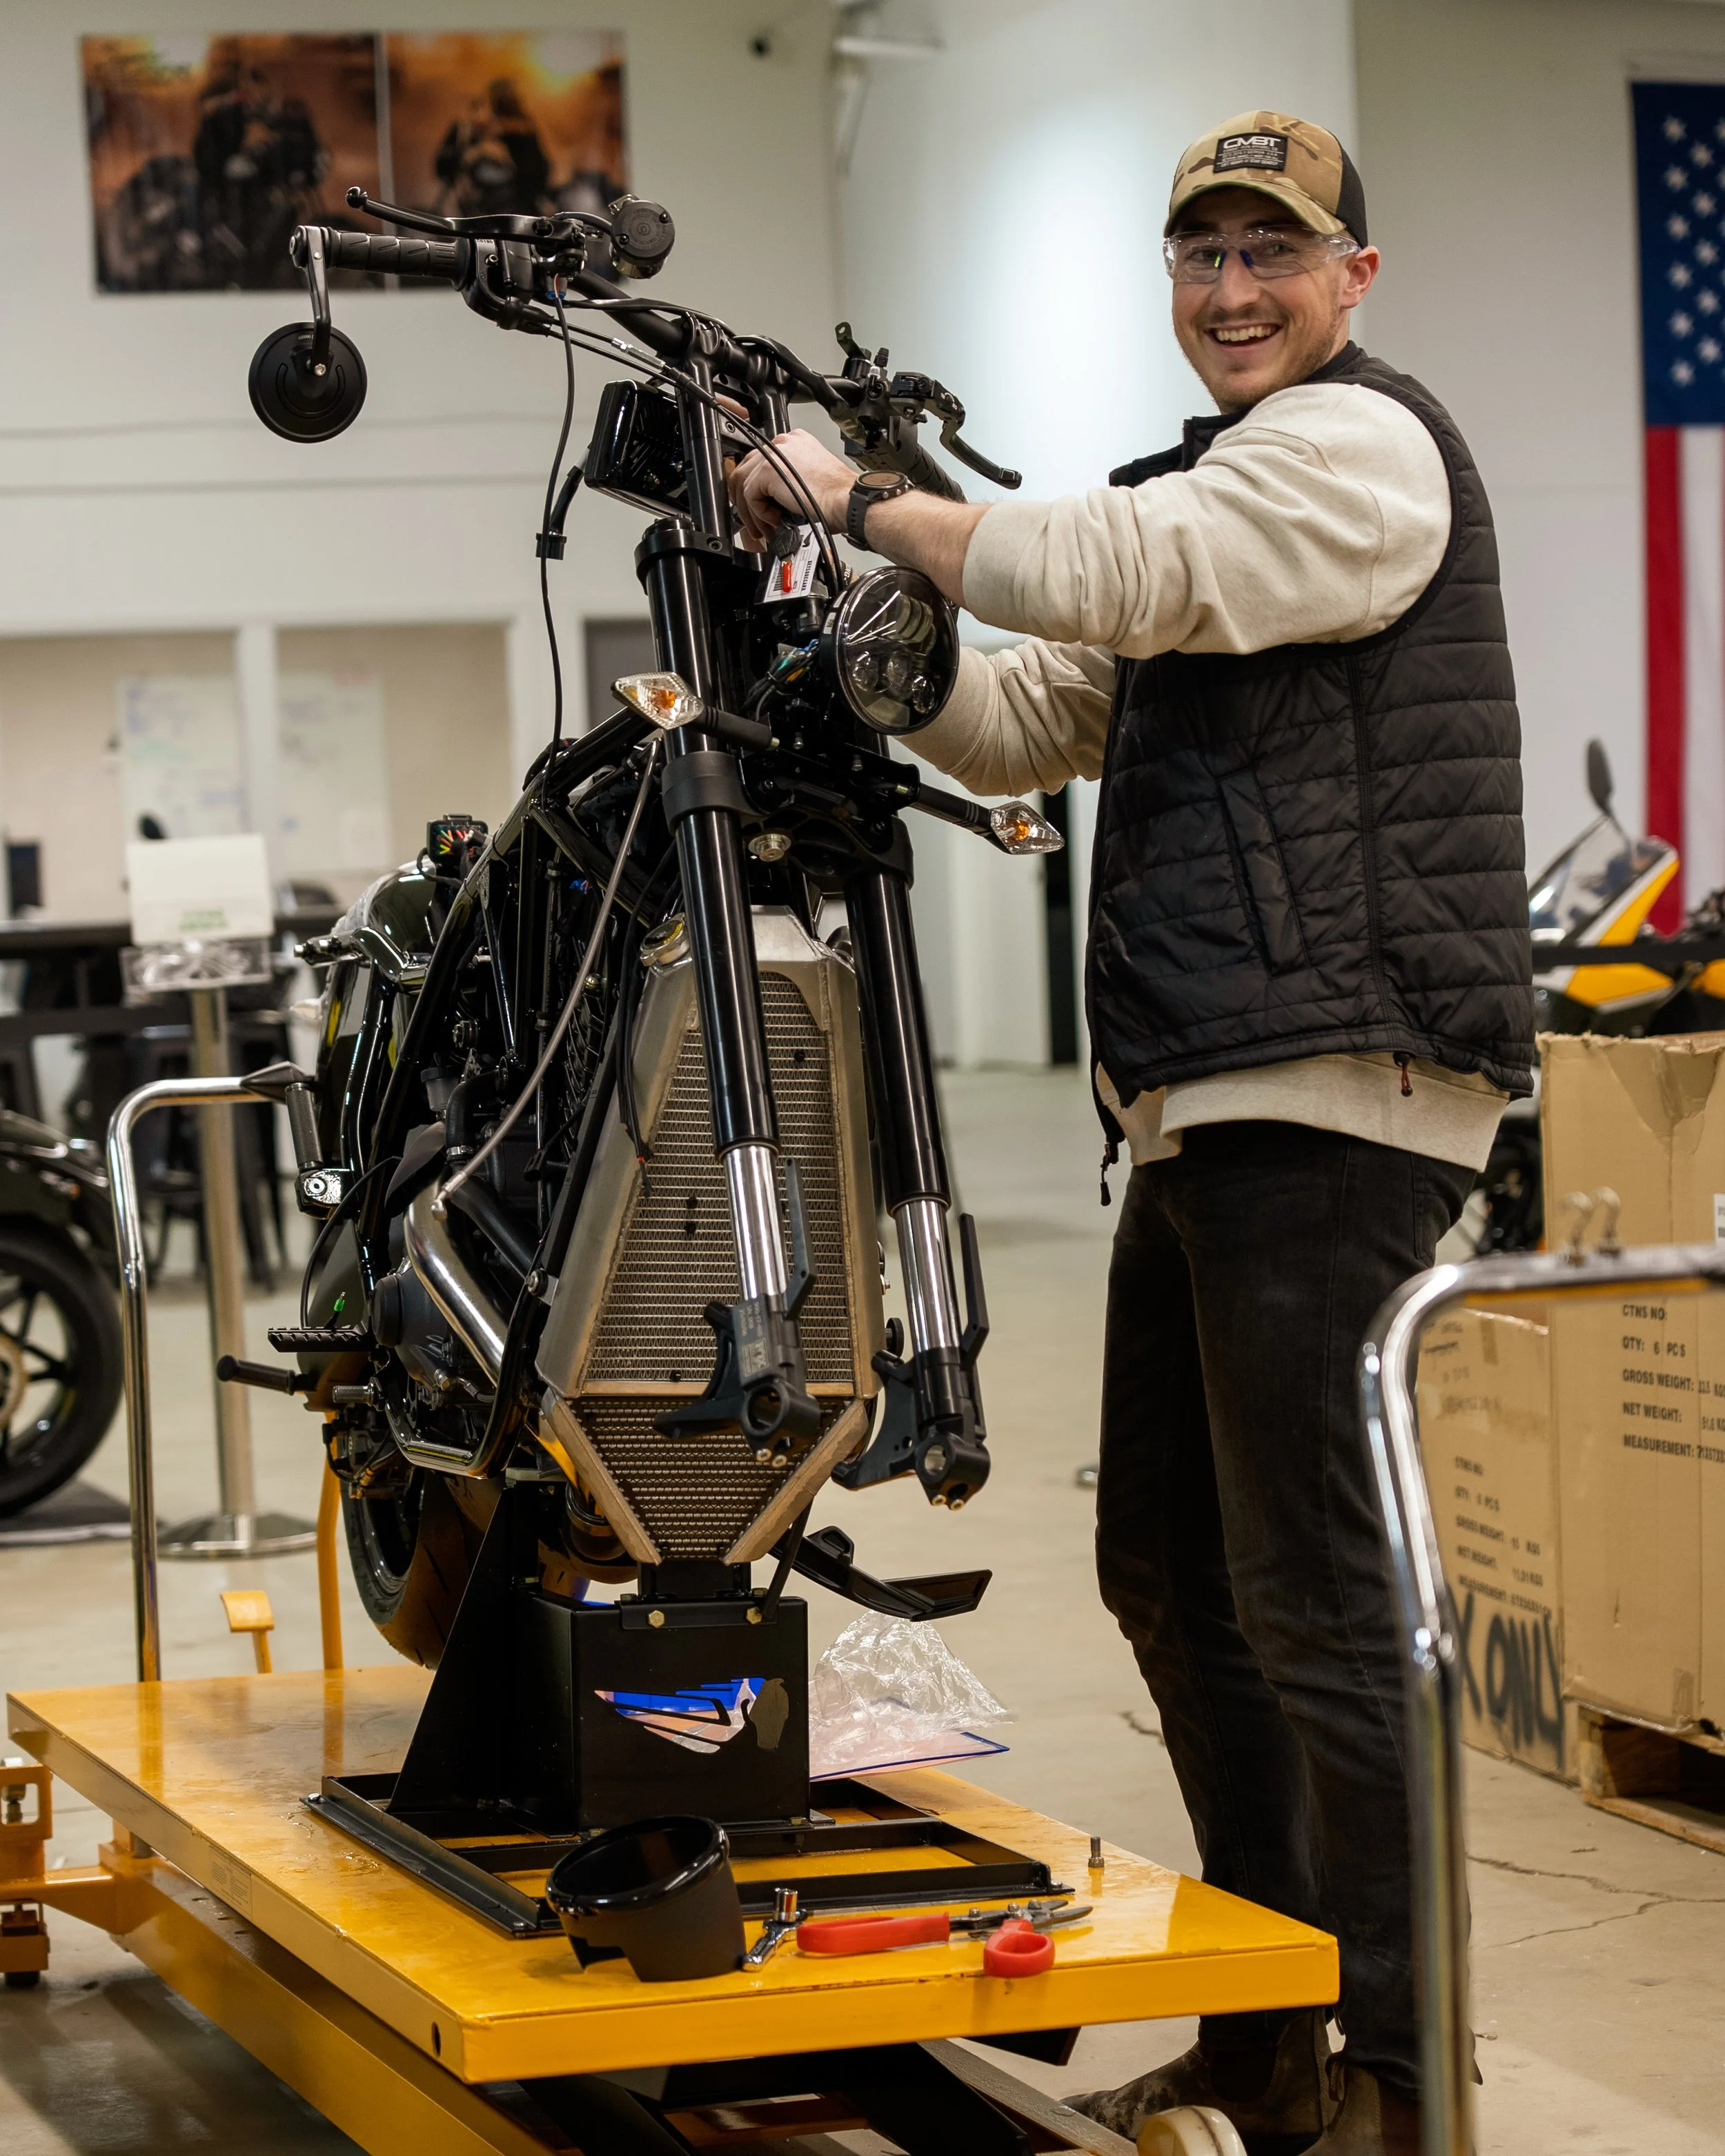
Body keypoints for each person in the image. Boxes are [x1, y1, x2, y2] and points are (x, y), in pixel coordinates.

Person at [729, 110, 1532, 2156]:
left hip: (1336, 1087)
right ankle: (1270, 2031)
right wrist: (876, 627)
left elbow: (1111, 563)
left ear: (1349, 280)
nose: (1233, 289)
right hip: (1205, 1096)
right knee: (1169, 1570)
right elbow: (1027, 717)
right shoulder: (1221, 486)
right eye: (1200, 258)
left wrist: (876, 496)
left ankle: (1395, 2076)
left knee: (1311, 1598)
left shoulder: (1357, 451)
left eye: (1272, 253)